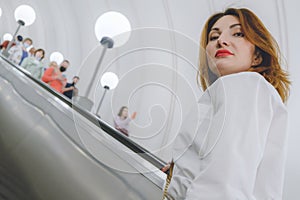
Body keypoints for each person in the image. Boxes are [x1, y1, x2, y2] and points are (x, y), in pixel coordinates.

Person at [166, 8, 290, 199]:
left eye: (238, 33)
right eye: (213, 37)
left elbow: (223, 186)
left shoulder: (247, 84)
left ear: (257, 56)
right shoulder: (241, 94)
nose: (221, 41)